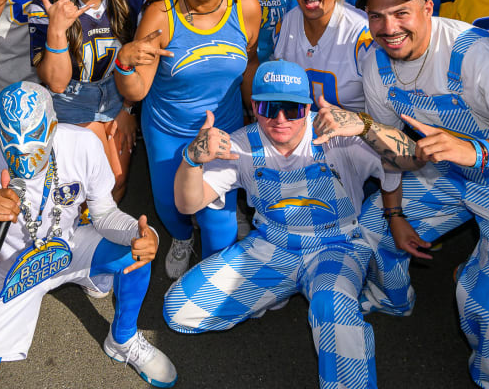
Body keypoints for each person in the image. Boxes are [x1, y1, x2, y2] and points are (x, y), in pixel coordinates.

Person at [317, 0, 489, 388]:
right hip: (450, 174)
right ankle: (394, 299)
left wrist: (476, 151)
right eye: (376, 16)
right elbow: (399, 153)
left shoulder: (472, 53)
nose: (388, 27)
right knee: (373, 227)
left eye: (401, 12)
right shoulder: (376, 63)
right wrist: (394, 212)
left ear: (428, 9)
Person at [164, 61, 394, 389]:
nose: (280, 119)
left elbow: (409, 162)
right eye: (269, 107)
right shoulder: (240, 144)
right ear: (253, 106)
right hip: (273, 245)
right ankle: (277, 289)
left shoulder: (339, 136)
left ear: (308, 107)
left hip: (337, 245)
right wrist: (191, 159)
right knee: (179, 311)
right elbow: (188, 204)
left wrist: (367, 127)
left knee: (332, 306)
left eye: (292, 108)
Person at [0, 81, 176, 388]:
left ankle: (123, 339)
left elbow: (103, 214)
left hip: (66, 246)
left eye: (35, 137)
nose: (23, 154)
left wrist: (139, 232)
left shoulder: (82, 143)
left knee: (136, 250)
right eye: (10, 138)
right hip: (2, 276)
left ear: (53, 126)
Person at [116, 0, 261, 278]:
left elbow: (249, 63)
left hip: (222, 131)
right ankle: (181, 238)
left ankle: (211, 286)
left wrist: (258, 117)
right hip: (168, 130)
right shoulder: (160, 15)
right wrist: (124, 60)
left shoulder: (246, 7)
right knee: (173, 208)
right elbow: (135, 91)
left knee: (221, 228)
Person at [29, 0, 144, 202]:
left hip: (118, 92)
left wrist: (128, 109)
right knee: (94, 187)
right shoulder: (47, 2)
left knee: (117, 183)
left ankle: (102, 238)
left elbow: (141, 63)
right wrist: (56, 30)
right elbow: (56, 83)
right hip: (71, 98)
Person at [273, 0, 375, 111]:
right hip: (302, 128)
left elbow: (383, 106)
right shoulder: (287, 22)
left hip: (355, 131)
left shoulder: (361, 31)